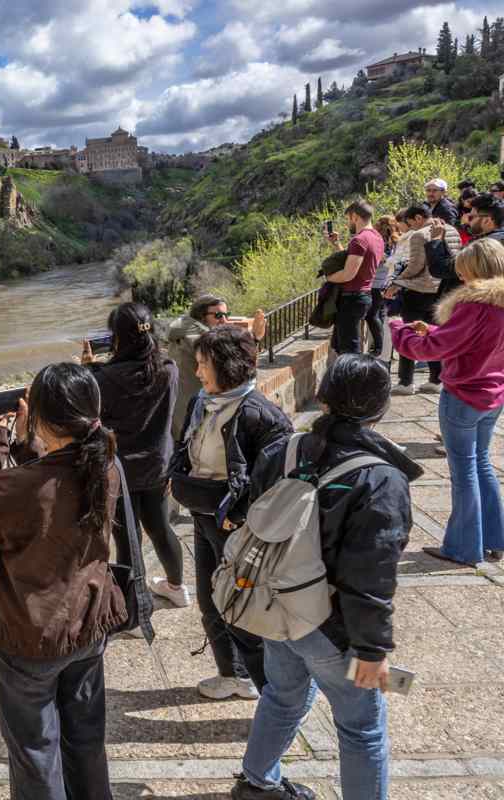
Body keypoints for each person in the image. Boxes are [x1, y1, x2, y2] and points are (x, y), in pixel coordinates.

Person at [231, 355, 421, 800]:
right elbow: (370, 579)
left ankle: (257, 783)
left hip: (276, 607)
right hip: (332, 628)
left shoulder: (284, 451)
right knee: (361, 728)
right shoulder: (380, 480)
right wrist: (372, 649)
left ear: (321, 396)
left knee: (282, 695)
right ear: (381, 408)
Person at [0, 362, 124, 800]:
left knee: (35, 750)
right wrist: (31, 447)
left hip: (31, 639)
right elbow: (48, 491)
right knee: (83, 740)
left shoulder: (24, 488)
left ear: (41, 417)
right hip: (87, 624)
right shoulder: (105, 466)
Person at [170, 326, 293, 699]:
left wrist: (239, 513)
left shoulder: (262, 416)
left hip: (235, 524)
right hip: (203, 512)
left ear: (226, 367)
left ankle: (273, 693)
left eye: (203, 364)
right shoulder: (200, 403)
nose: (197, 372)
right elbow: (185, 447)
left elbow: (275, 482)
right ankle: (231, 674)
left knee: (243, 608)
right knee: (210, 599)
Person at [391, 238, 504, 567]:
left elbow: (430, 350)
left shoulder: (475, 305)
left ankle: (464, 548)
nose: (463, 280)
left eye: (466, 273)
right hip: (494, 394)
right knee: (482, 463)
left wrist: (400, 330)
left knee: (464, 471)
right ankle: (494, 539)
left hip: (464, 395)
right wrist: (435, 333)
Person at [81, 302, 187, 607]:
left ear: (117, 338)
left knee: (127, 538)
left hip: (120, 470)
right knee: (159, 527)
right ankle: (177, 588)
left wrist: (89, 367)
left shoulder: (103, 378)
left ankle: (135, 610)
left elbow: (94, 413)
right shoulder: (169, 369)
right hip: (157, 464)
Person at [167, 295, 267, 437]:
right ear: (202, 317)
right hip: (198, 420)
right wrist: (255, 338)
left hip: (183, 416)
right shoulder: (199, 342)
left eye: (227, 315)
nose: (224, 321)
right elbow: (241, 372)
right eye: (218, 315)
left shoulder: (184, 332)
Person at [383, 204, 453, 394]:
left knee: (409, 333)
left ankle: (406, 382)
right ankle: (436, 379)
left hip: (418, 291)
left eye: (410, 222)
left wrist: (397, 283)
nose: (410, 226)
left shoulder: (419, 235)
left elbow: (415, 266)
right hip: (442, 291)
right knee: (433, 335)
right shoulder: (451, 229)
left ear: (418, 218)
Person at [325, 200, 384, 354]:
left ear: (355, 216)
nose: (348, 223)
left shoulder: (359, 240)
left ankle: (355, 377)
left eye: (348, 219)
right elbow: (356, 262)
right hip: (364, 294)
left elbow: (348, 274)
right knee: (340, 344)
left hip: (351, 298)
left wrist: (329, 277)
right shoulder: (377, 237)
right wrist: (337, 244)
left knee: (349, 350)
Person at [365, 215, 398, 357]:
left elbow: (379, 262)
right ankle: (386, 349)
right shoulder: (396, 241)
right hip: (385, 282)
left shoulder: (380, 242)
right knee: (380, 315)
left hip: (376, 283)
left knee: (371, 316)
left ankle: (380, 347)